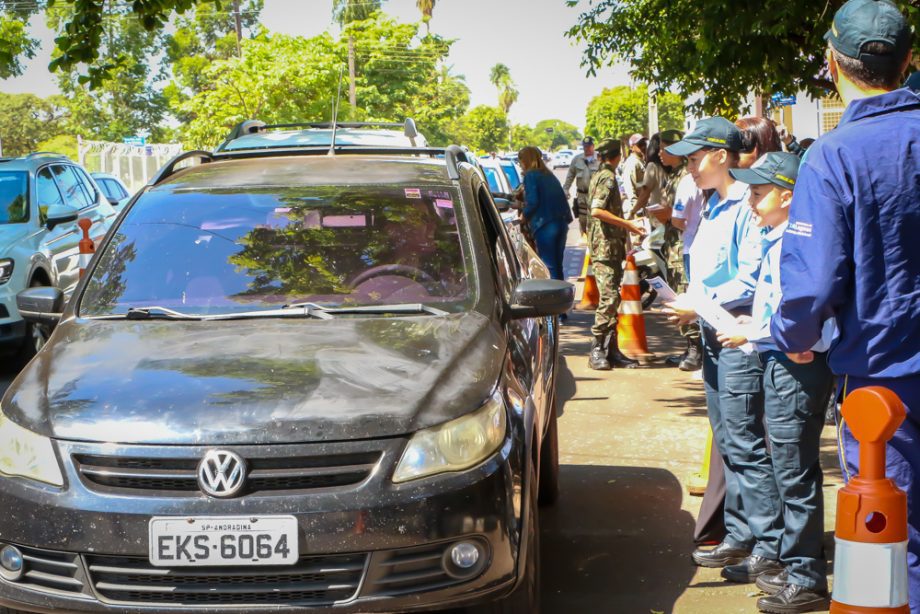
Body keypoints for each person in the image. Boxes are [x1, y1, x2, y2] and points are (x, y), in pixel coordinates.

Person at [770, 0, 920, 609]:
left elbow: (811, 283)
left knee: (891, 536)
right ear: (909, 62)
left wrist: (794, 334)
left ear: (833, 64)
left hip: (885, 385)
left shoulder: (835, 154)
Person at [717, 152, 835, 613]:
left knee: (794, 470)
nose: (751, 200)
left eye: (760, 192)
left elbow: (810, 307)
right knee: (787, 467)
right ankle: (794, 565)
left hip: (796, 364)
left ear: (788, 196)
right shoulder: (778, 238)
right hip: (783, 359)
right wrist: (760, 322)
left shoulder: (797, 241)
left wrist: (757, 330)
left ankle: (806, 577)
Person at [663, 118, 774, 579]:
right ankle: (740, 535)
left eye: (693, 159)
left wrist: (698, 303)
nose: (688, 167)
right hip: (714, 333)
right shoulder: (711, 203)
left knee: (746, 444)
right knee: (728, 441)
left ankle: (769, 547)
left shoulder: (744, 209)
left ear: (721, 157)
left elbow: (747, 278)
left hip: (736, 335)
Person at [586, 139, 645, 371]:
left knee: (613, 299)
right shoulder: (607, 177)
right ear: (618, 155)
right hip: (605, 247)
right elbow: (597, 210)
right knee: (609, 299)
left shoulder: (600, 174)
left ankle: (611, 349)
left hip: (610, 246)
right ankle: (598, 348)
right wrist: (628, 225)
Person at [517, 146, 574, 283]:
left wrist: (522, 217)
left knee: (549, 266)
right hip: (561, 223)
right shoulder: (548, 174)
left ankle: (554, 299)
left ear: (525, 160)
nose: (520, 164)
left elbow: (533, 201)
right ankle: (561, 295)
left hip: (545, 225)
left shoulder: (531, 175)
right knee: (557, 265)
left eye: (520, 161)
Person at [563, 136, 600, 235]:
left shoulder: (600, 159)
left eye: (588, 146)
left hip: (597, 195)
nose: (586, 149)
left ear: (593, 146)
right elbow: (570, 176)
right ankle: (586, 240)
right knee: (583, 221)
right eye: (584, 147)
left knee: (597, 220)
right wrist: (565, 190)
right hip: (582, 197)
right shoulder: (577, 159)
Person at [620, 133, 647, 216]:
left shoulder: (641, 161)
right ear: (632, 147)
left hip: (643, 205)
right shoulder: (632, 163)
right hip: (637, 209)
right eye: (639, 144)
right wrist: (636, 209)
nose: (643, 146)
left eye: (644, 143)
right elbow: (629, 188)